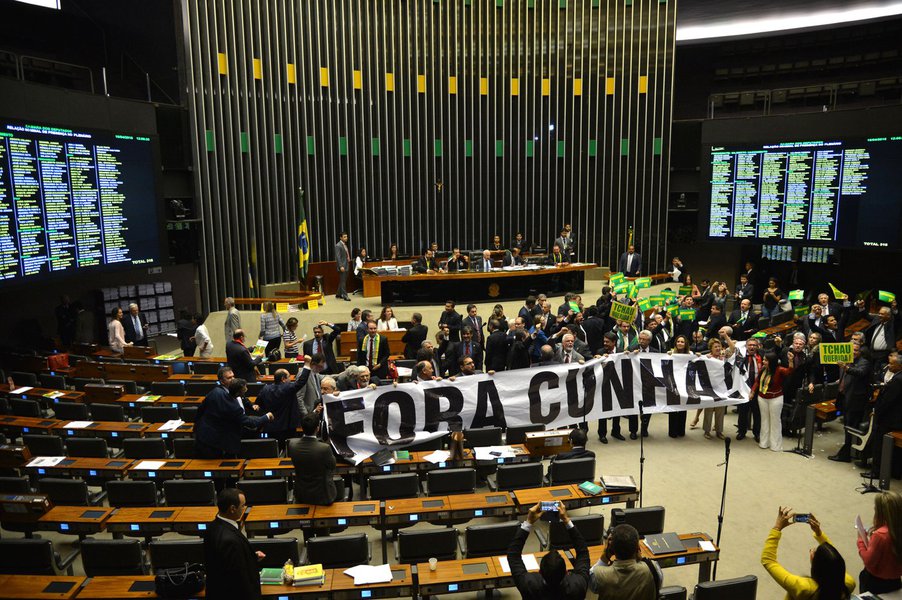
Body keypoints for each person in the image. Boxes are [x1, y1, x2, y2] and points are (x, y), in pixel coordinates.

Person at [761, 506, 855, 600]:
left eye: (814, 553)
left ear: (817, 566)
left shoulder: (803, 587)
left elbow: (767, 560)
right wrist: (819, 533)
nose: (812, 551)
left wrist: (777, 528)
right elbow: (834, 560)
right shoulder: (849, 583)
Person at [507, 502, 590, 599]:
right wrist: (566, 520)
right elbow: (583, 554)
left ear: (539, 572)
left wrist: (529, 521)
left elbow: (513, 555)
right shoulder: (577, 586)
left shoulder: (529, 585)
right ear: (567, 572)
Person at [195, 366, 273, 459]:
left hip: (218, 429)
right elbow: (249, 422)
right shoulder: (227, 401)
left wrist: (251, 405)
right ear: (222, 381)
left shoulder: (223, 390)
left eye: (233, 376)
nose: (232, 380)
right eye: (229, 378)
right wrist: (267, 416)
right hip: (214, 438)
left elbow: (242, 398)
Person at [203, 488, 264, 599]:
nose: (244, 509)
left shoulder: (212, 526)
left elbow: (223, 561)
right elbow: (238, 578)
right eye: (242, 506)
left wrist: (251, 556)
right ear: (232, 509)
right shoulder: (229, 541)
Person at [591, 523, 662, 599]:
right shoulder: (653, 569)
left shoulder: (599, 575)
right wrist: (640, 558)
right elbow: (658, 585)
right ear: (637, 547)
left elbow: (591, 585)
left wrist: (605, 555)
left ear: (611, 548)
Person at [828, 343, 872, 462]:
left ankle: (845, 454)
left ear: (860, 352)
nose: (853, 352)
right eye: (851, 350)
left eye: (856, 350)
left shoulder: (864, 362)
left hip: (855, 401)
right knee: (847, 426)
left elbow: (859, 372)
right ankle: (847, 451)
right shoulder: (846, 360)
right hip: (844, 397)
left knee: (850, 427)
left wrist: (846, 367)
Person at [862, 353, 902, 477]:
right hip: (895, 418)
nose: (888, 366)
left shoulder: (897, 380)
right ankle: (894, 471)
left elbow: (887, 401)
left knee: (879, 444)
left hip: (888, 418)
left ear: (899, 366)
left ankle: (876, 472)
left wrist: (876, 411)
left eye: (892, 364)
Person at [255, 359, 312, 445]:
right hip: (287, 428)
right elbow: (301, 381)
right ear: (283, 379)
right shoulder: (288, 388)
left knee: (274, 450)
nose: (290, 378)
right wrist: (307, 364)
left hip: (271, 427)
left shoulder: (265, 389)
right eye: (289, 376)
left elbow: (258, 403)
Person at [288, 413, 338, 506]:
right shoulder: (324, 448)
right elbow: (332, 465)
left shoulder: (292, 445)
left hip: (301, 496)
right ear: (317, 428)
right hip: (323, 497)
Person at [858, 492, 902, 593]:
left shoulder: (879, 536)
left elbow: (868, 561)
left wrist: (860, 540)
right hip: (895, 581)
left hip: (875, 583)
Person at [753, 352, 795, 452]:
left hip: (775, 398)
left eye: (766, 360)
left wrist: (790, 361)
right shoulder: (763, 369)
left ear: (771, 362)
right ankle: (764, 442)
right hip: (762, 397)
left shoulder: (779, 370)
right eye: (763, 360)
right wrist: (752, 391)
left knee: (775, 421)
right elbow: (757, 381)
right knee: (764, 420)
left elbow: (790, 371)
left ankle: (775, 445)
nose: (763, 362)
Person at [736, 336, 763, 442]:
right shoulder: (741, 357)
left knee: (757, 413)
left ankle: (757, 433)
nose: (752, 347)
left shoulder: (761, 356)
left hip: (758, 389)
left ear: (758, 347)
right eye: (750, 345)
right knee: (743, 412)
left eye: (754, 345)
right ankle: (742, 431)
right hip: (744, 388)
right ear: (746, 346)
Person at [667, 335, 691, 438]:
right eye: (678, 341)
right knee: (673, 407)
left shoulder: (690, 354)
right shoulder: (670, 353)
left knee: (682, 406)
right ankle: (672, 431)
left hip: (684, 383)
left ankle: (681, 430)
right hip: (673, 383)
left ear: (685, 344)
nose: (680, 343)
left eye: (682, 342)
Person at [335, 231, 351, 301]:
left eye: (346, 236)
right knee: (343, 281)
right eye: (344, 237)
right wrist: (341, 266)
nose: (346, 238)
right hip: (342, 266)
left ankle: (338, 294)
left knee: (342, 280)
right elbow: (338, 257)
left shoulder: (344, 244)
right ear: (340, 237)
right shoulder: (338, 245)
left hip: (346, 265)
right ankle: (345, 296)